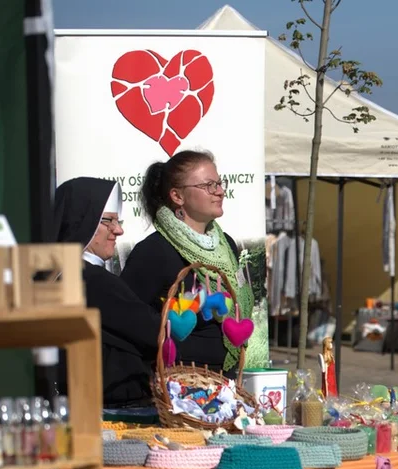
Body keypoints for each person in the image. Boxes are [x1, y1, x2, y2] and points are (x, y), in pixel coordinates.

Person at [121, 150, 255, 375]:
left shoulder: (227, 245)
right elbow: (128, 319)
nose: (220, 191)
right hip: (180, 385)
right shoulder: (155, 251)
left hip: (227, 380)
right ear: (177, 196)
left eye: (220, 183)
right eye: (209, 185)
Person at [51, 177, 161, 406]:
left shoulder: (56, 276)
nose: (118, 230)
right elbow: (155, 332)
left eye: (117, 221)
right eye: (108, 221)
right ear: (82, 220)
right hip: (115, 404)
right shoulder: (92, 280)